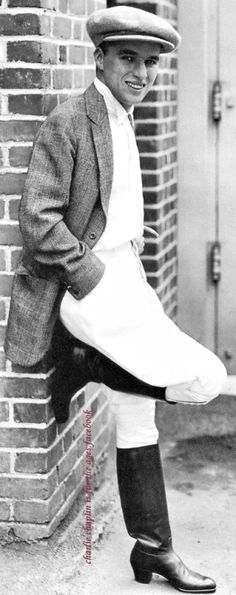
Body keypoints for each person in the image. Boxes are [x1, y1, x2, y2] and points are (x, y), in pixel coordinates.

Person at [5, 6, 227, 593]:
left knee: (137, 413)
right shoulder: (70, 121)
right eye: (128, 59)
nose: (141, 73)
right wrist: (92, 275)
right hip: (92, 286)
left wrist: (129, 232)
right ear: (99, 58)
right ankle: (85, 358)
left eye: (150, 63)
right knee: (204, 378)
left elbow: (104, 203)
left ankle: (153, 550)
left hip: (129, 276)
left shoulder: (124, 118)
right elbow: (39, 222)